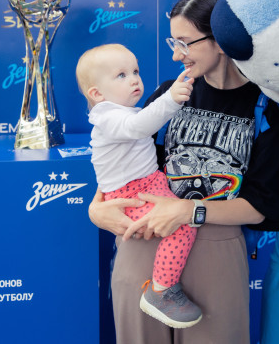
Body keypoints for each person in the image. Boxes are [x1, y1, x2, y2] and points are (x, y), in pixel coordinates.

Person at [88, 0, 279, 344]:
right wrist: (97, 208)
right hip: (143, 243)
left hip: (216, 254)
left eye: (184, 42)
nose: (174, 54)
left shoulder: (265, 106)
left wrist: (188, 211)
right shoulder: (171, 94)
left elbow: (264, 206)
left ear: (220, 39)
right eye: (173, 41)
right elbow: (123, 156)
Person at [75, 43, 202, 328]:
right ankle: (161, 290)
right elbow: (140, 127)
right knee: (183, 226)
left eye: (136, 71)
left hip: (149, 182)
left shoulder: (124, 111)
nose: (134, 79)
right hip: (133, 193)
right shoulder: (108, 116)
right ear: (97, 94)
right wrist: (171, 99)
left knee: (179, 216)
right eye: (121, 75)